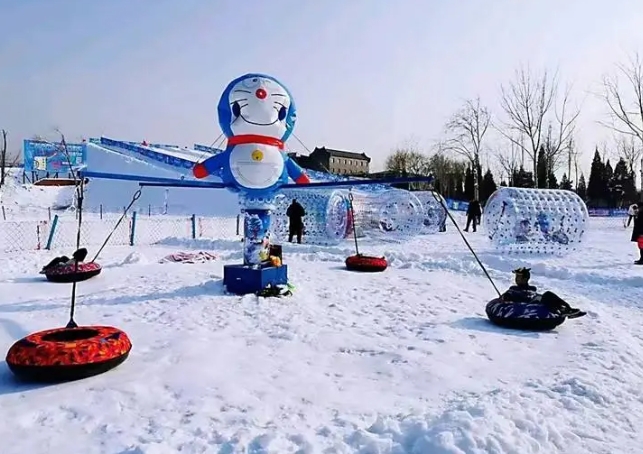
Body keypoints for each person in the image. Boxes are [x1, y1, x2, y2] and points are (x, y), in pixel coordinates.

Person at [500, 267, 586, 318]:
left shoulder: (532, 288)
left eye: (519, 277)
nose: (516, 279)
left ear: (526, 279)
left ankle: (567, 309)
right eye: (516, 277)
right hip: (525, 307)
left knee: (548, 295)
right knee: (547, 294)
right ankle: (566, 311)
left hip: (536, 304)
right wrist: (505, 298)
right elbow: (506, 297)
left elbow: (537, 296)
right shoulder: (513, 289)